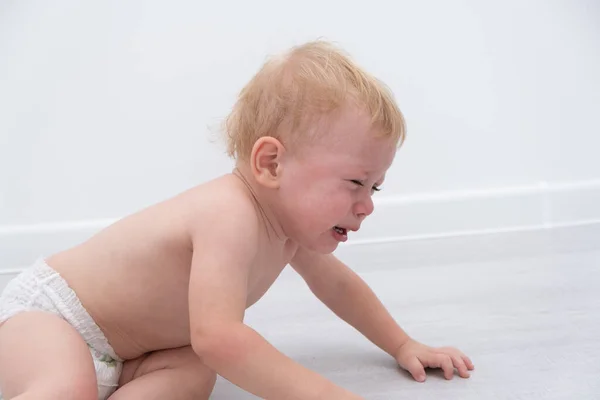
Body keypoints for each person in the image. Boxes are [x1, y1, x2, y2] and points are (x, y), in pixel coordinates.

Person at [0, 40, 474, 400]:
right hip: (49, 321)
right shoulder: (228, 215)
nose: (367, 204)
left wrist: (403, 343)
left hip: (130, 356)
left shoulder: (289, 229)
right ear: (271, 163)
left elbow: (339, 288)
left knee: (193, 374)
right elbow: (221, 338)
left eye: (375, 187)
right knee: (67, 383)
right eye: (354, 182)